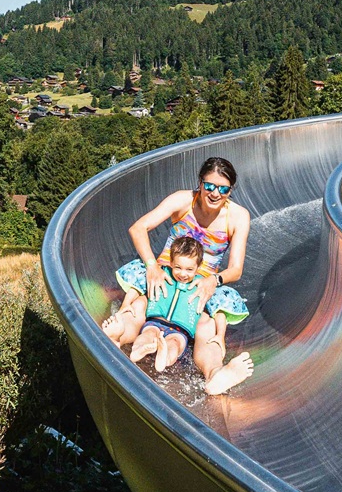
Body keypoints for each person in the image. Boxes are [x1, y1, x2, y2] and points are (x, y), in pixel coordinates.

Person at [101, 156, 254, 395]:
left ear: (230, 190)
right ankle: (117, 336)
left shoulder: (237, 216)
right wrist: (151, 266)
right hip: (166, 274)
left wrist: (214, 280)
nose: (215, 193)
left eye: (223, 189)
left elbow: (236, 268)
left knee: (206, 327)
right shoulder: (183, 200)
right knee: (143, 305)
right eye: (209, 186)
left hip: (200, 285)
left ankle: (215, 374)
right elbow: (138, 228)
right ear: (200, 183)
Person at [127, 235, 210, 374]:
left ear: (198, 267)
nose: (183, 274)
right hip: (155, 322)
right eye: (178, 267)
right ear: (171, 262)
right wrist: (127, 303)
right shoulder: (161, 273)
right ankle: (139, 349)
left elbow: (218, 309)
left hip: (180, 332)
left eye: (189, 269)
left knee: (174, 345)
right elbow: (138, 284)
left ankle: (164, 358)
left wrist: (220, 334)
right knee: (148, 334)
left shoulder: (202, 285)